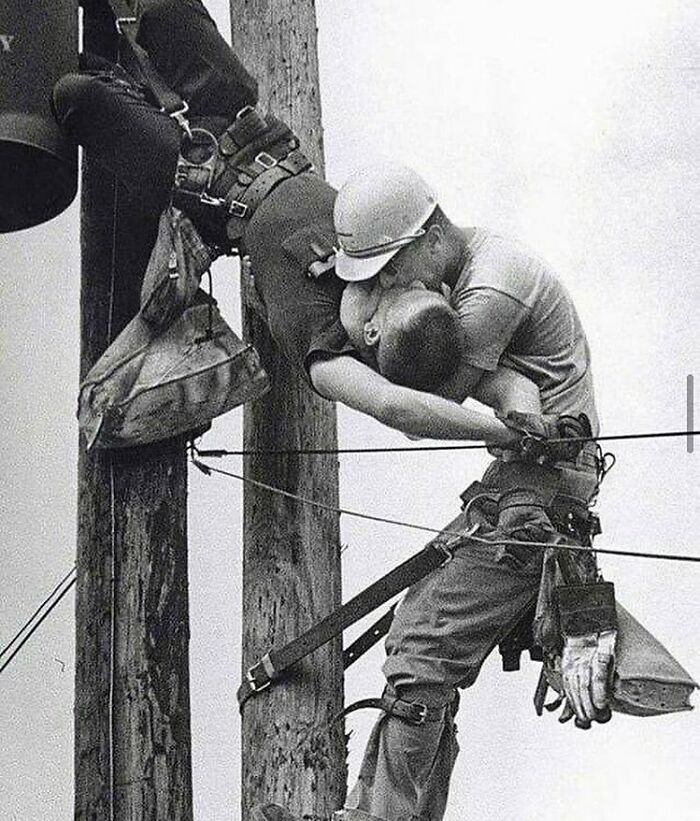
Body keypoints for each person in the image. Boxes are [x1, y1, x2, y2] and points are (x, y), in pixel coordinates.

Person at [257, 168, 614, 821]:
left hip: (538, 496)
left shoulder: (489, 291)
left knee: (422, 648)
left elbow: (420, 400)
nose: (390, 285)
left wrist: (326, 328)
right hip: (523, 486)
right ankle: (384, 811)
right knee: (421, 644)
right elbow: (512, 392)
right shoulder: (459, 276)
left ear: (429, 235)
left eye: (390, 269)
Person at [53, 0, 545, 453]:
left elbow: (397, 409)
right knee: (160, 6)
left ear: (372, 333)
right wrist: (528, 428)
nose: (402, 278)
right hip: (242, 118)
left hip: (200, 176)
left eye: (400, 293)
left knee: (74, 95)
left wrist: (491, 434)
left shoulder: (326, 345)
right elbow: (511, 384)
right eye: (422, 284)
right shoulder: (387, 282)